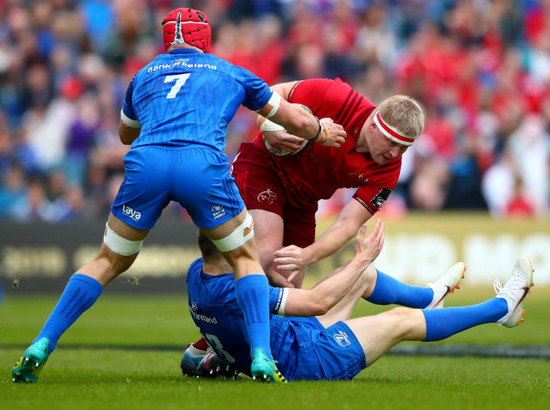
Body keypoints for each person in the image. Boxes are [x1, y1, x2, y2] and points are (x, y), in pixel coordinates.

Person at [11, 7, 346, 384]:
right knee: (244, 259)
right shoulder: (231, 71)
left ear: (165, 39)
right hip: (201, 165)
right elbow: (294, 120)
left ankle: (42, 342)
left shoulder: (142, 75)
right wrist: (320, 131)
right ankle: (261, 357)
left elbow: (125, 135)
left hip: (147, 164)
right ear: (207, 39)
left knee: (106, 261)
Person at [181, 78, 425, 369]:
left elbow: (347, 224)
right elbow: (272, 93)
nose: (394, 155)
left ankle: (228, 351)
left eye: (404, 149)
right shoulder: (338, 97)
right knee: (267, 257)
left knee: (289, 282)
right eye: (392, 143)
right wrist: (267, 127)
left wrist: (306, 256)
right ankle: (208, 347)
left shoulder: (388, 169)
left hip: (304, 200)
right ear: (374, 125)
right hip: (263, 168)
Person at [182, 220, 534, 381]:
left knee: (359, 280)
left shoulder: (199, 273)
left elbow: (247, 289)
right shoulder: (236, 291)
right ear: (233, 251)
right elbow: (318, 302)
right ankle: (503, 307)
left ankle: (430, 298)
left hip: (291, 336)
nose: (254, 239)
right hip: (306, 361)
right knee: (400, 320)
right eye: (248, 235)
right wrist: (362, 256)